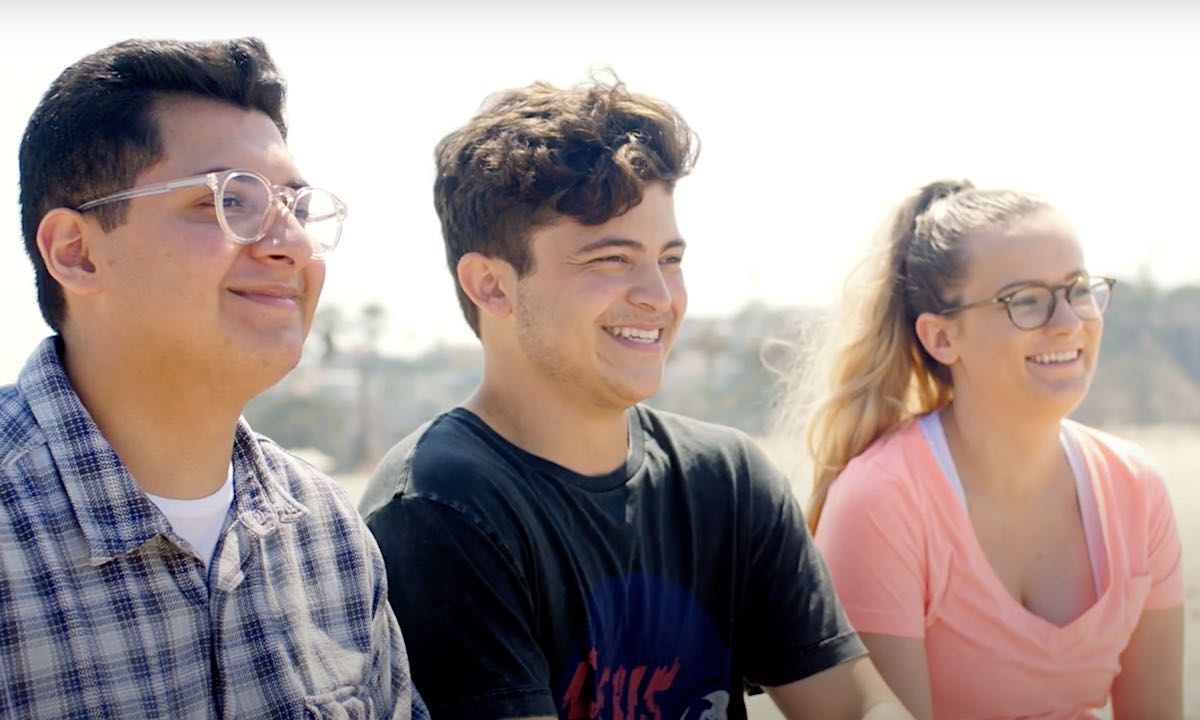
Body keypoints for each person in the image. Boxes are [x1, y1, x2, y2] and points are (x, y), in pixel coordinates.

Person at [358, 75, 911, 720]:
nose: (659, 296)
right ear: (491, 285)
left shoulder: (727, 478)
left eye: (669, 259)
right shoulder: (439, 511)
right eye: (612, 260)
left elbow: (854, 704)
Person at [1, 37, 427, 719]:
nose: (292, 244)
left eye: (296, 207)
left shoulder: (329, 533)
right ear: (76, 253)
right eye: (228, 201)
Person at [793, 180, 1184, 719]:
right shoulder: (883, 502)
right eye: (1025, 301)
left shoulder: (1136, 488)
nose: (1068, 323)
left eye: (1077, 290)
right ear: (941, 338)